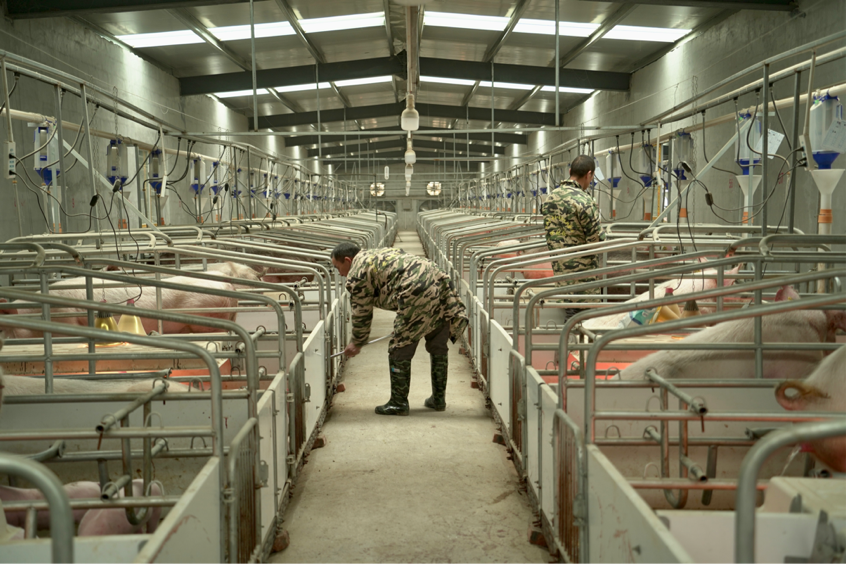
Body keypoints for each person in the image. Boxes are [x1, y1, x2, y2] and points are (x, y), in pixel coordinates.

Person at [331, 243, 468, 416]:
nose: (340, 274)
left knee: (399, 348)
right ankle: (438, 399)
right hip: (439, 282)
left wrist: (357, 342)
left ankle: (398, 403)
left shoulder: (357, 272)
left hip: (416, 290)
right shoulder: (375, 255)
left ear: (347, 260)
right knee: (437, 345)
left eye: (338, 267)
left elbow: (362, 312)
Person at [540, 155, 606, 317]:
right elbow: (596, 239)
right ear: (589, 174)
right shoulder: (585, 200)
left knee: (569, 316)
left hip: (560, 274)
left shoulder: (550, 198)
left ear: (570, 171)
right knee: (582, 320)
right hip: (583, 278)